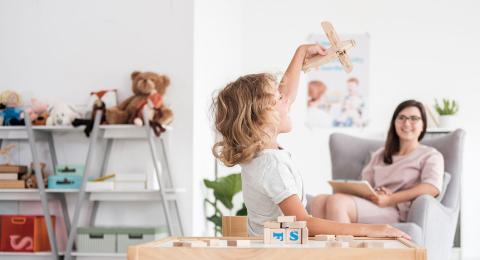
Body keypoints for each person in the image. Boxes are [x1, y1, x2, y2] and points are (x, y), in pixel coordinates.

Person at [211, 44, 409, 239]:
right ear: (260, 118)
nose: (287, 99)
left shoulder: (259, 156)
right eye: (279, 98)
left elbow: (286, 91)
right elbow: (303, 222)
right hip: (278, 253)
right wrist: (369, 230)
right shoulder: (272, 166)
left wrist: (301, 53)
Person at [310, 100, 444, 224]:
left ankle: (345, 250)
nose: (407, 123)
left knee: (337, 202)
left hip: (397, 209)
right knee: (318, 201)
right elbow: (366, 183)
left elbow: (432, 188)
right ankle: (328, 249)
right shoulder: (381, 154)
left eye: (414, 118)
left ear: (423, 125)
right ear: (394, 123)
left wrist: (390, 198)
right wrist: (375, 193)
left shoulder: (430, 155)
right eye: (401, 118)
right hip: (373, 203)